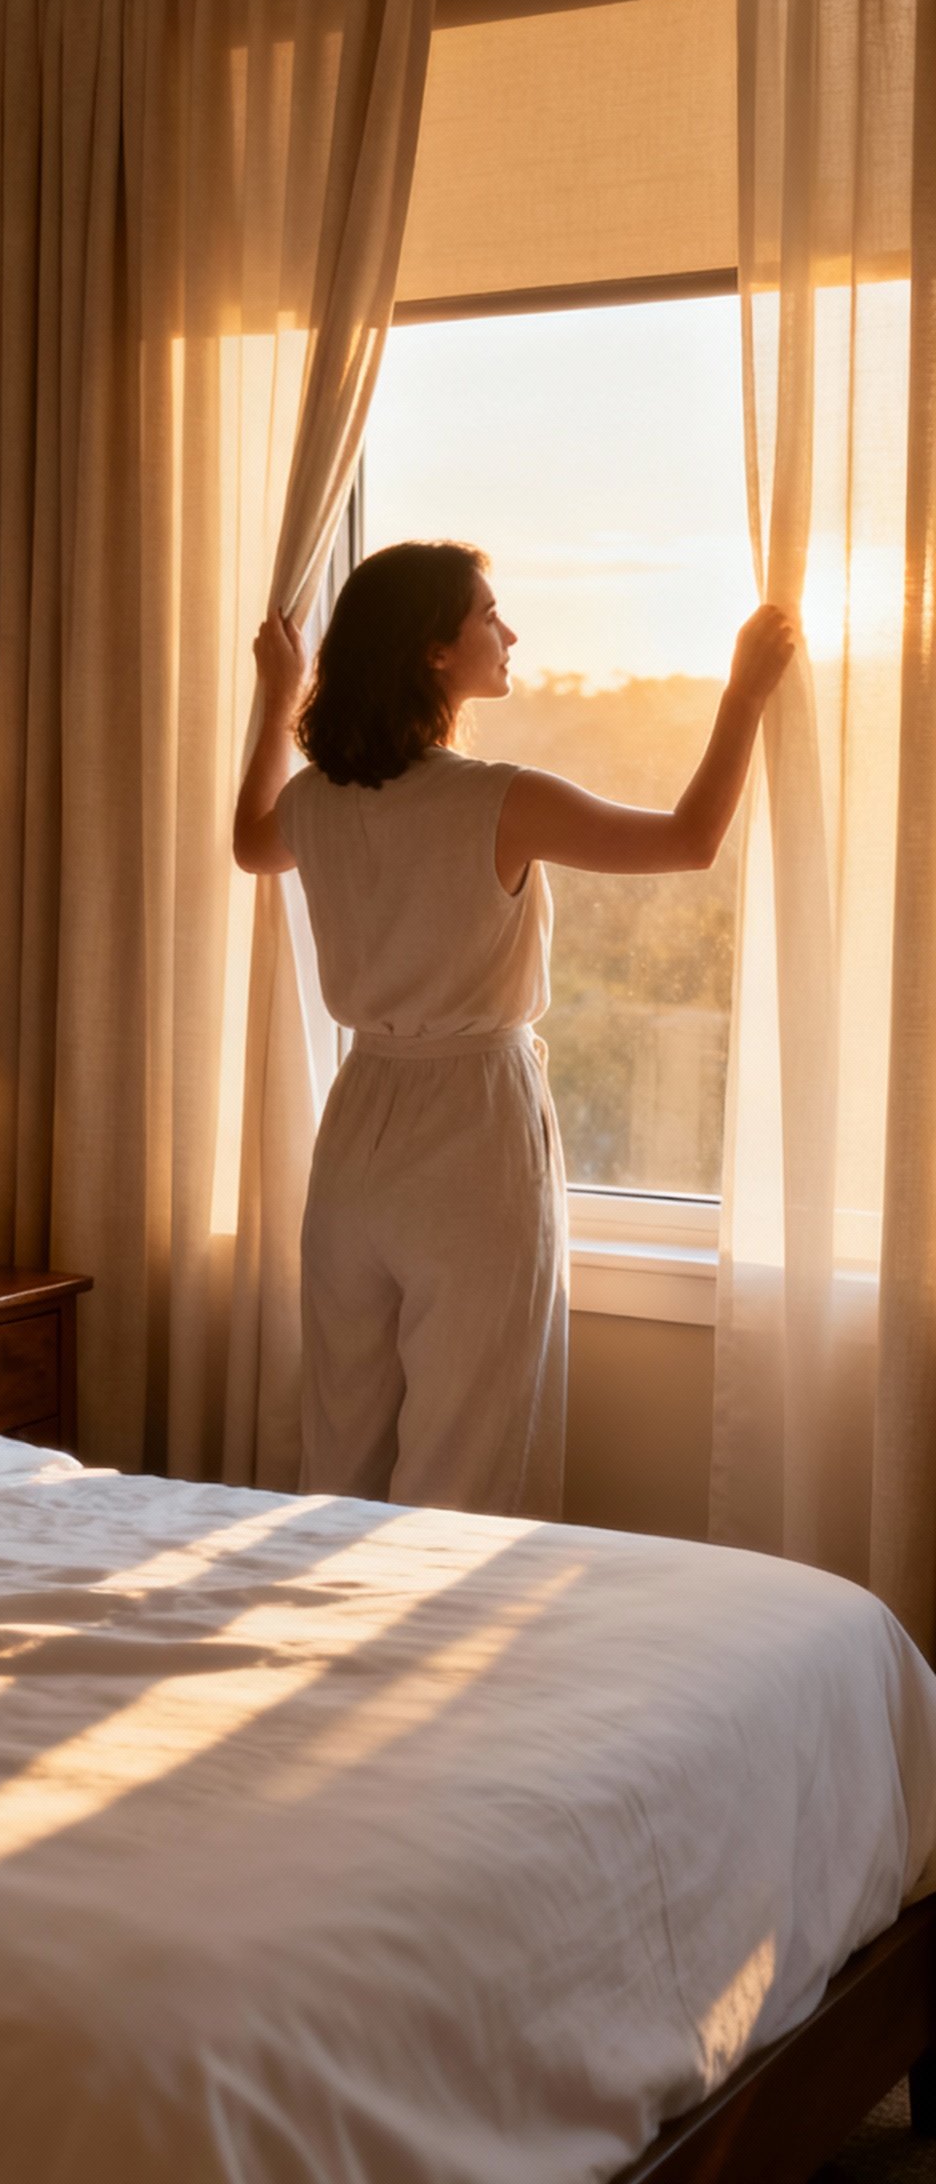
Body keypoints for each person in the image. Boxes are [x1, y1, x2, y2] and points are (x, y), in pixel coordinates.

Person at [233, 540, 794, 1518]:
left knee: (342, 1453)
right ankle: (437, 1657)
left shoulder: (316, 802)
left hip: (358, 1125)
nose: (511, 631)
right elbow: (688, 841)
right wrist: (744, 693)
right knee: (468, 1457)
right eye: (490, 614)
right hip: (473, 1133)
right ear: (434, 651)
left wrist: (277, 696)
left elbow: (249, 842)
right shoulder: (500, 799)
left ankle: (335, 1648)